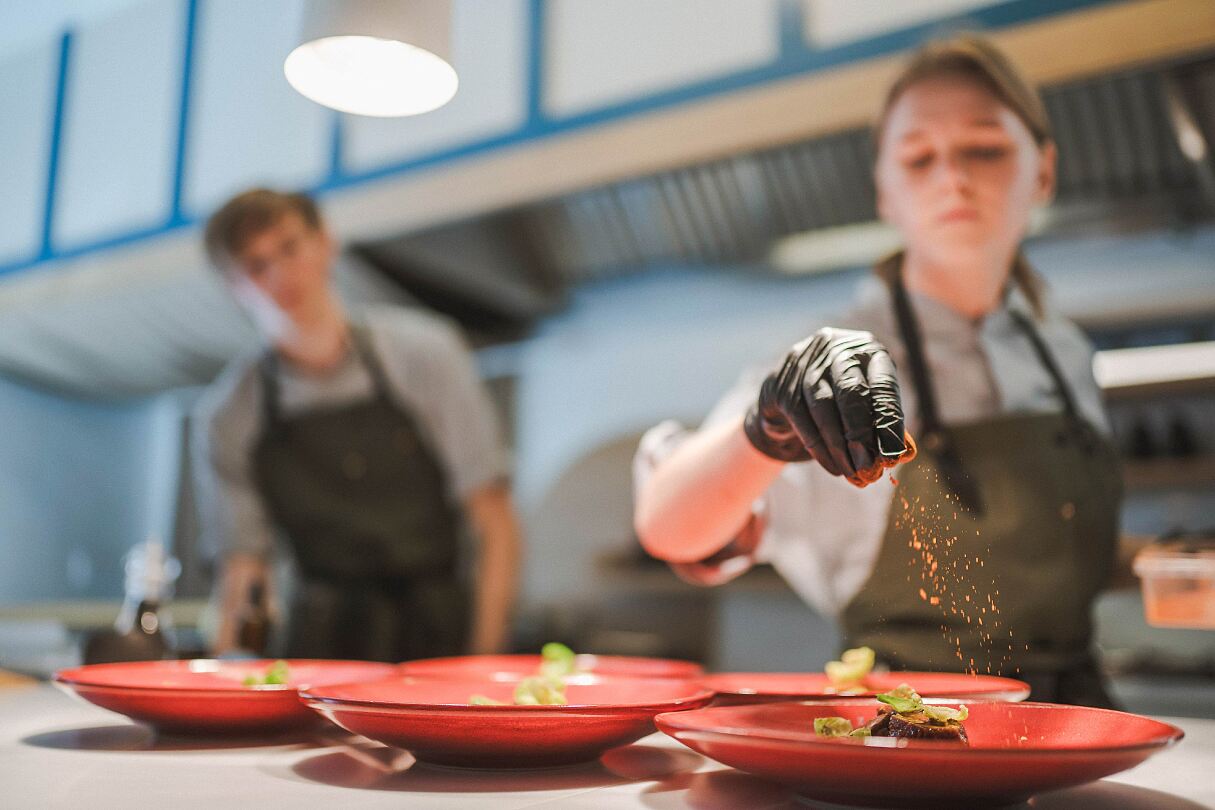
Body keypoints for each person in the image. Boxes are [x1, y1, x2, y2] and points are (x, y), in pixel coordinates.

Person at [633, 36, 1122, 707]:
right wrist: (766, 429)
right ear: (885, 197)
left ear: (1041, 171)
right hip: (906, 727)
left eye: (983, 148)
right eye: (918, 158)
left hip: (1077, 719)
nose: (950, 177)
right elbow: (671, 529)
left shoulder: (1063, 352)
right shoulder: (834, 364)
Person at [194, 188, 521, 662]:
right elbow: (245, 568)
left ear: (325, 242)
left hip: (438, 636)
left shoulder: (425, 354)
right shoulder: (228, 414)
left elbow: (494, 521)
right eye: (256, 266)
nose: (281, 274)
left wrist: (484, 661)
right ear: (234, 286)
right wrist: (227, 683)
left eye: (289, 248)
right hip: (319, 648)